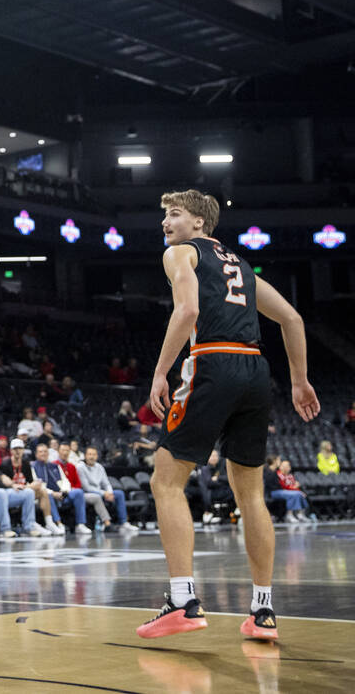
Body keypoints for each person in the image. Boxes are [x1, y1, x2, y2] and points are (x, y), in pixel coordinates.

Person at [137, 190, 320, 642]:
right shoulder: (240, 265)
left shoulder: (180, 252)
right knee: (251, 495)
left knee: (165, 479)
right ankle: (263, 611)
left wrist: (161, 372)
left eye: (173, 214)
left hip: (214, 360)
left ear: (199, 222)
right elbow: (292, 319)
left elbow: (189, 310)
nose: (165, 222)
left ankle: (183, 599)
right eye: (164, 215)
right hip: (256, 371)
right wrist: (299, 381)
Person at [0, 438, 58, 535]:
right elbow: (4, 484)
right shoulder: (5, 464)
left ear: (23, 450)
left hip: (23, 490)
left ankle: (49, 522)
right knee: (29, 492)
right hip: (10, 492)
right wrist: (26, 487)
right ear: (11, 451)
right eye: (15, 449)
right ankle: (30, 524)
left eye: (20, 448)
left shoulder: (25, 463)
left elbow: (29, 481)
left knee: (42, 491)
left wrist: (33, 485)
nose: (18, 451)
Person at [78, 445, 139, 533]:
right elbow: (87, 487)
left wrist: (109, 493)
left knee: (119, 493)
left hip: (101, 492)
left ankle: (124, 523)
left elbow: (106, 483)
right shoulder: (80, 467)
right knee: (96, 496)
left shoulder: (99, 467)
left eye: (94, 454)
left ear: (97, 456)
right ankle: (107, 524)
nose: (91, 457)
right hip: (87, 493)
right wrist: (104, 493)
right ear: (85, 456)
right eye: (89, 454)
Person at [32, 442, 89, 534]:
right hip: (47, 496)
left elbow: (65, 481)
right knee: (47, 495)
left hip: (61, 494)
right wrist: (53, 493)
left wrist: (64, 491)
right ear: (36, 454)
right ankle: (58, 524)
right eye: (40, 452)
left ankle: (81, 524)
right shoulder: (33, 466)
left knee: (78, 492)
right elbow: (37, 485)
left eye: (45, 451)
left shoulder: (55, 466)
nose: (43, 453)